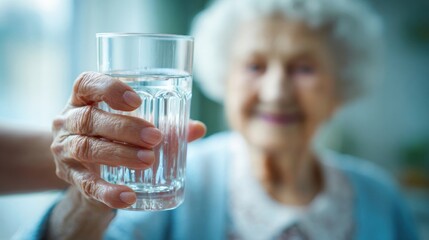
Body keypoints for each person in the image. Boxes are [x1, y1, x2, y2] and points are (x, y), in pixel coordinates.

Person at [29, 0, 418, 239]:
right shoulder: (168, 181)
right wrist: (89, 201)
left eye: (303, 68)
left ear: (340, 87)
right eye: (254, 65)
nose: (276, 91)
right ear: (223, 79)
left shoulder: (383, 200)